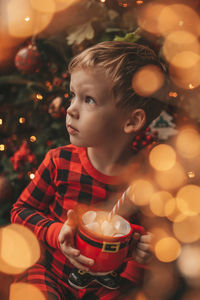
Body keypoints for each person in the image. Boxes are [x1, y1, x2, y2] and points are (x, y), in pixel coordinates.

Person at [11, 41, 165, 300]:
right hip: (49, 272)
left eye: (89, 99)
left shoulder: (147, 181)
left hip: (106, 289)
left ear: (132, 121)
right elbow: (20, 212)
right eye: (72, 95)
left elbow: (151, 245)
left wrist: (145, 253)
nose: (70, 109)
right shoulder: (59, 161)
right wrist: (56, 231)